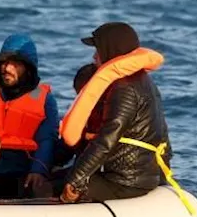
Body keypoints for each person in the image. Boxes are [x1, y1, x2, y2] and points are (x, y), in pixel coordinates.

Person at [61, 22, 171, 203]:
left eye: (98, 50)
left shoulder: (124, 88)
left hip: (123, 181)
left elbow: (107, 139)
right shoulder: (143, 82)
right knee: (50, 177)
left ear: (110, 51)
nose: (95, 56)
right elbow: (164, 137)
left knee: (45, 188)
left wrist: (76, 181)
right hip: (135, 176)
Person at [0, 34, 60, 200]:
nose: (7, 68)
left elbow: (47, 139)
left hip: (23, 169)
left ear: (28, 67)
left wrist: (38, 170)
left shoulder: (45, 100)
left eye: (15, 63)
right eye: (4, 62)